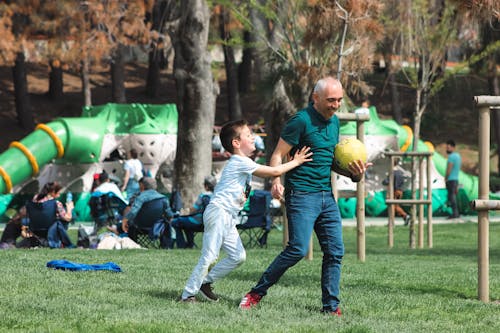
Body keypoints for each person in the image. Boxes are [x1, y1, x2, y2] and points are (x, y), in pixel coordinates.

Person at [239, 77, 370, 316]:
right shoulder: (300, 121)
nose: (336, 105)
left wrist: (355, 175)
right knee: (297, 249)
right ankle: (256, 293)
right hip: (302, 195)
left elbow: (330, 161)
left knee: (335, 251)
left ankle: (331, 307)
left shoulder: (334, 124)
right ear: (316, 98)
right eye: (331, 100)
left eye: (339, 100)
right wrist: (276, 181)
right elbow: (278, 154)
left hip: (326, 197)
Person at [180, 119, 313, 303]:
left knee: (238, 256)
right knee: (210, 255)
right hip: (218, 212)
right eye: (249, 136)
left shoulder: (244, 163)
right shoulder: (239, 161)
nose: (253, 138)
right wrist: (297, 161)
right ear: (236, 143)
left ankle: (205, 283)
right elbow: (274, 171)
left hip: (228, 217)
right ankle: (188, 294)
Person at [121, 177, 174, 247]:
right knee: (165, 222)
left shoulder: (140, 197)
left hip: (140, 227)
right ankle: (165, 245)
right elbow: (169, 215)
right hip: (158, 227)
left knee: (130, 223)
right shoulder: (163, 198)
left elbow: (133, 212)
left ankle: (132, 244)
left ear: (141, 185)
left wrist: (125, 220)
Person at [24, 182, 75, 248]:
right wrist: (69, 209)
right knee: (60, 222)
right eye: (58, 193)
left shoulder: (34, 200)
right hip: (50, 231)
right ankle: (61, 242)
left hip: (35, 230)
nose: (59, 195)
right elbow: (68, 218)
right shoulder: (56, 203)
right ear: (53, 192)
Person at [171, 175, 217, 249]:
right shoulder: (218, 196)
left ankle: (182, 245)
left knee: (175, 222)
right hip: (213, 223)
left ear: (206, 186)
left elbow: (193, 210)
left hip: (199, 222)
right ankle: (190, 244)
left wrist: (184, 213)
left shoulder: (203, 196)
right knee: (186, 223)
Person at [382, 158, 411, 226]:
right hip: (400, 190)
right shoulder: (400, 173)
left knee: (393, 206)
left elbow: (387, 181)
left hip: (394, 191)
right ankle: (402, 218)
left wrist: (384, 181)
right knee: (395, 206)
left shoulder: (392, 172)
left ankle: (404, 216)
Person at [445, 139, 461, 219]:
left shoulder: (451, 157)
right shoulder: (458, 156)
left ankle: (455, 213)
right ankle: (456, 212)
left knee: (451, 197)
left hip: (451, 179)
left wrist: (446, 178)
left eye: (448, 147)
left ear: (453, 147)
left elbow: (449, 168)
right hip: (456, 179)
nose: (447, 149)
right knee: (453, 196)